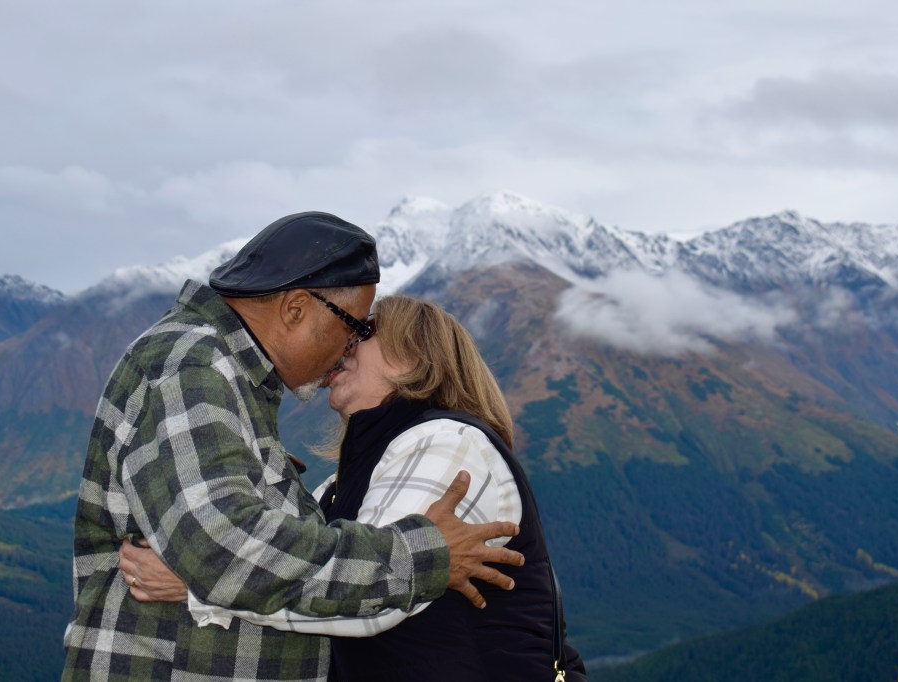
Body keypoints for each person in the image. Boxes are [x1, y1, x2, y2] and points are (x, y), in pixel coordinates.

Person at [62, 212, 524, 682]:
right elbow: (222, 551)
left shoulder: (224, 375)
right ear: (297, 309)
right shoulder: (193, 367)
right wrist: (423, 557)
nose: (349, 347)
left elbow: (222, 556)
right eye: (353, 326)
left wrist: (196, 583)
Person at [120, 294, 589, 681]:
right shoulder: (345, 481)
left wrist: (200, 582)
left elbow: (372, 603)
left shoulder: (448, 445)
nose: (343, 343)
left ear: (414, 355)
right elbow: (286, 557)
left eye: (363, 332)